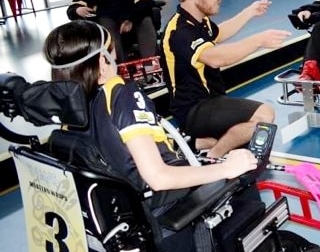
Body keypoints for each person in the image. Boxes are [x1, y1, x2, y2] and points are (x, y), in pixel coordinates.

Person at [43, 20, 260, 208]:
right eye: (112, 48)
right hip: (165, 205)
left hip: (123, 205)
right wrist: (226, 168)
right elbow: (158, 177)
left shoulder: (68, 108)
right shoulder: (121, 94)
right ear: (102, 62)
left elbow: (114, 146)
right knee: (245, 185)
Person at [161, 0, 290, 159]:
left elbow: (219, 32)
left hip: (212, 101)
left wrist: (249, 12)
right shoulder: (179, 31)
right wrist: (259, 41)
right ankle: (213, 157)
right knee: (264, 116)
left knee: (246, 138)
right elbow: (216, 58)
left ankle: (199, 142)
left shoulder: (199, 20)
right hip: (194, 110)